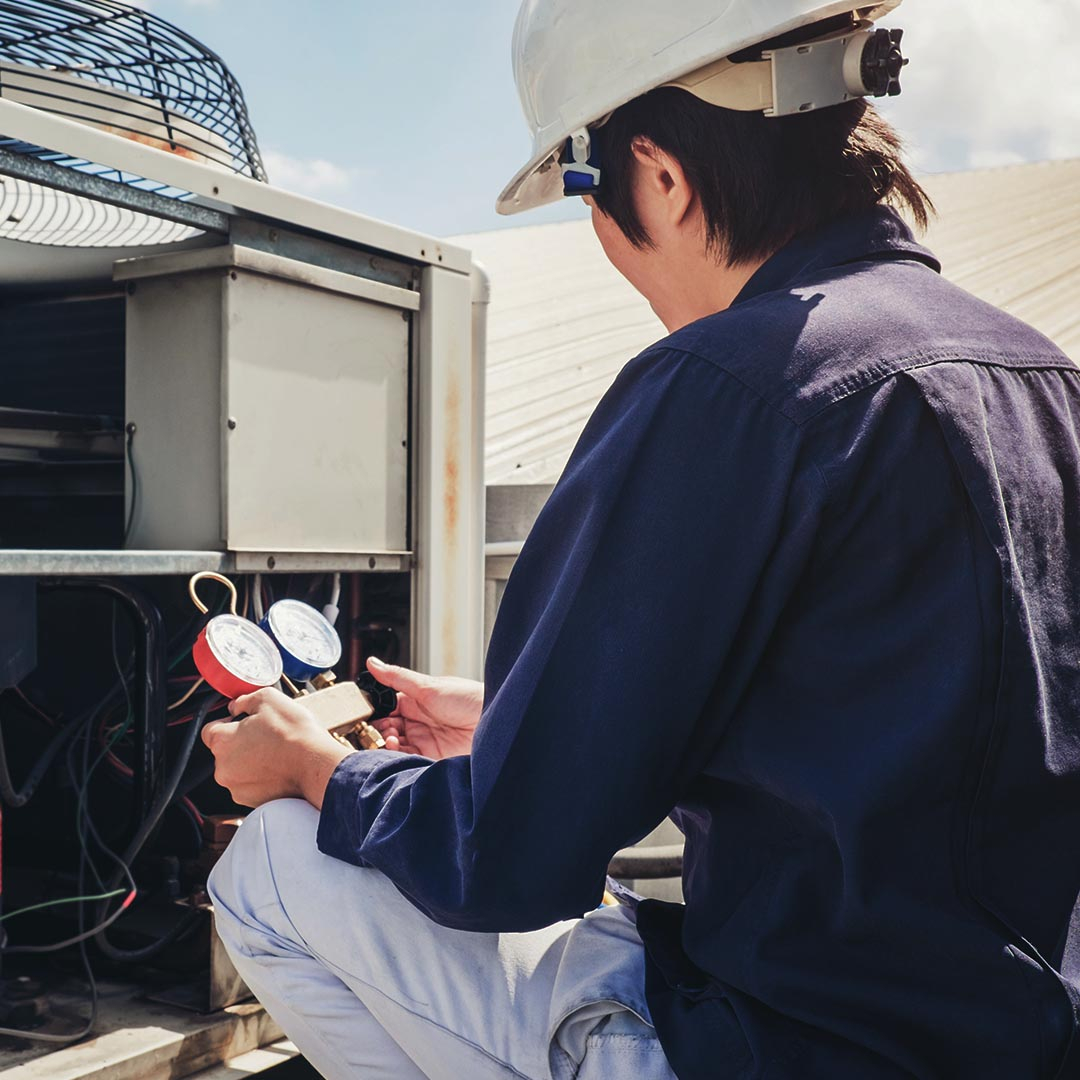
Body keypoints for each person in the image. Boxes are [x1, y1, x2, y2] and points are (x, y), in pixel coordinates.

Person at [202, 1, 1080, 1077]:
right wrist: (527, 728)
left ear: (658, 175)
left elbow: (508, 859)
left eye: (585, 191)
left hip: (784, 1048)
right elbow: (903, 746)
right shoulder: (1045, 382)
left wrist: (319, 771)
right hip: (1022, 1040)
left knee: (275, 866)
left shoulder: (723, 386)